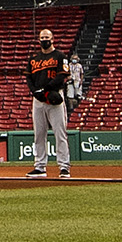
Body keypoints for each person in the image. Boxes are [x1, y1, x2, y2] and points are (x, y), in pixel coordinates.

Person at [22, 32, 75, 177]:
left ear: (53, 39)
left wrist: (46, 89)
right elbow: (28, 77)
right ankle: (39, 166)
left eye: (47, 38)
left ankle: (64, 166)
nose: (44, 40)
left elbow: (62, 75)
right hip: (38, 99)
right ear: (39, 40)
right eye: (42, 38)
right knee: (39, 134)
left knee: (60, 133)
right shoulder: (34, 59)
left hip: (54, 96)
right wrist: (35, 92)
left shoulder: (60, 56)